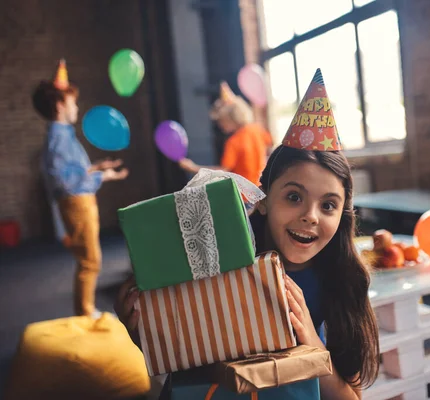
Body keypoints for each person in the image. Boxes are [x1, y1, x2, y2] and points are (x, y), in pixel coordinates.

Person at [115, 69, 379, 399]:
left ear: (342, 216)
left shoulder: (342, 284)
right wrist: (141, 327)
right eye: (294, 197)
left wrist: (312, 344)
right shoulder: (217, 264)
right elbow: (179, 360)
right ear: (263, 198)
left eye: (328, 205)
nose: (310, 217)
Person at [34, 59, 129, 317]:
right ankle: (85, 311)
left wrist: (99, 169)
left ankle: (85, 309)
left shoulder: (62, 135)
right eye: (73, 102)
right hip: (77, 202)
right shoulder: (58, 137)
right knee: (90, 260)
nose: (76, 107)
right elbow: (67, 179)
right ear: (59, 105)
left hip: (81, 200)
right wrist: (99, 175)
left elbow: (73, 171)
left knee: (89, 258)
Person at [178, 81, 273, 186]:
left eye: (221, 120)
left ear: (231, 118)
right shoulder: (257, 130)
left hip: (244, 195)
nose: (220, 125)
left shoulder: (233, 142)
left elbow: (222, 172)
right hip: (260, 188)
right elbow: (270, 146)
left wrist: (193, 167)